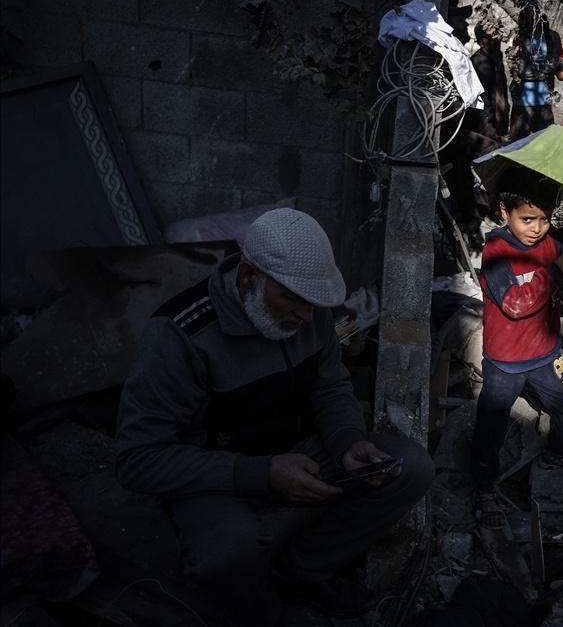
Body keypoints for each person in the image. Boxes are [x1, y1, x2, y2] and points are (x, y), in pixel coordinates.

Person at [114, 208, 434, 626]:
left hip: (298, 452)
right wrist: (260, 473)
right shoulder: (179, 336)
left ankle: (300, 573)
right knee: (229, 554)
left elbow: (329, 386)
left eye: (313, 303)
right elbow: (137, 459)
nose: (305, 316)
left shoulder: (311, 312)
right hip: (215, 474)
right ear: (248, 277)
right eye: (291, 298)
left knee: (409, 469)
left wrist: (347, 441)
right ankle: (260, 609)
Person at [471, 170, 563, 529]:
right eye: (527, 219)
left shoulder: (552, 243)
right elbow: (514, 304)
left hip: (546, 355)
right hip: (505, 363)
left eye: (545, 218)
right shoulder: (497, 252)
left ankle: (556, 454)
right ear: (503, 211)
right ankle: (484, 487)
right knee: (490, 428)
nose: (537, 227)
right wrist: (556, 271)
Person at [509, 1, 563, 140]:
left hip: (544, 101)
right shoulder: (520, 38)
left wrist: (538, 67)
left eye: (535, 13)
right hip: (523, 101)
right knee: (518, 145)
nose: (533, 17)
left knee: (544, 143)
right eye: (529, 14)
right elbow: (522, 71)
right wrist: (545, 69)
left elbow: (557, 66)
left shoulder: (552, 37)